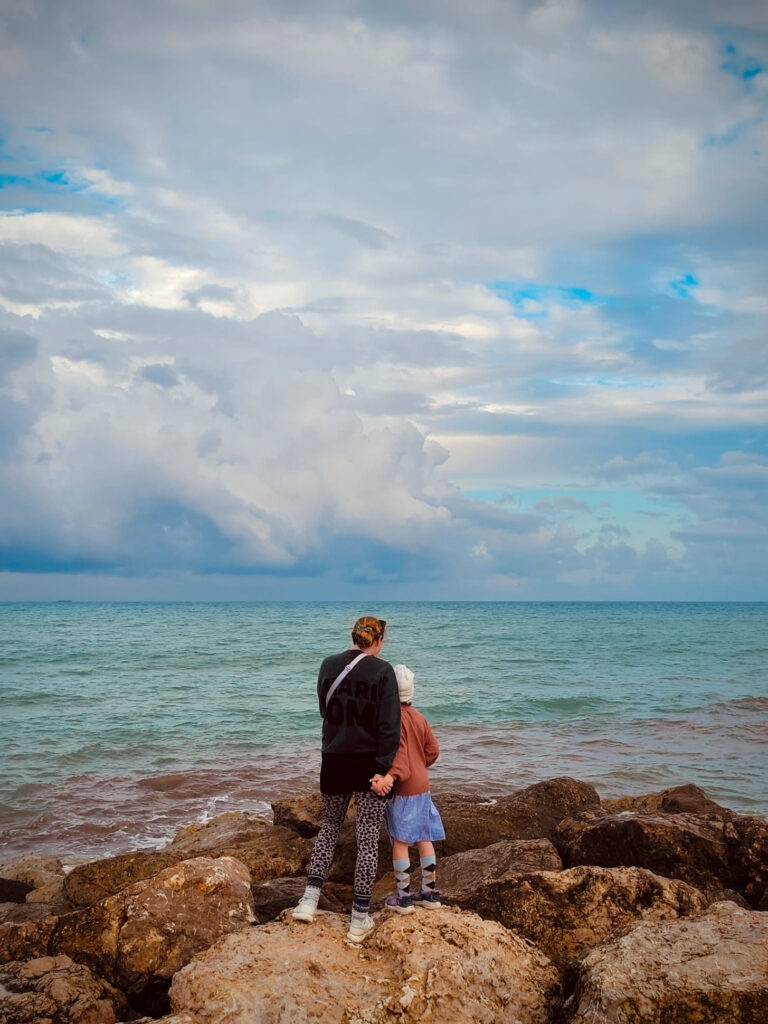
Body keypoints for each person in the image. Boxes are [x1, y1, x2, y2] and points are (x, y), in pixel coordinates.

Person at [293, 615, 401, 943]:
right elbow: (389, 728)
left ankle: (308, 902)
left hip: (335, 758)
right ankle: (358, 920)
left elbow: (324, 711)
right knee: (368, 839)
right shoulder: (383, 672)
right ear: (379, 640)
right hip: (369, 764)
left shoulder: (328, 665)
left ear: (353, 636)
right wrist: (383, 769)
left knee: (328, 830)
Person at [380, 664, 445, 913]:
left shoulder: (392, 719)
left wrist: (393, 774)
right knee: (424, 836)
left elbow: (397, 756)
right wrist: (421, 764)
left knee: (401, 840)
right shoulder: (419, 717)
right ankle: (429, 893)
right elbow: (433, 750)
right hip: (423, 785)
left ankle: (404, 896)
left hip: (404, 787)